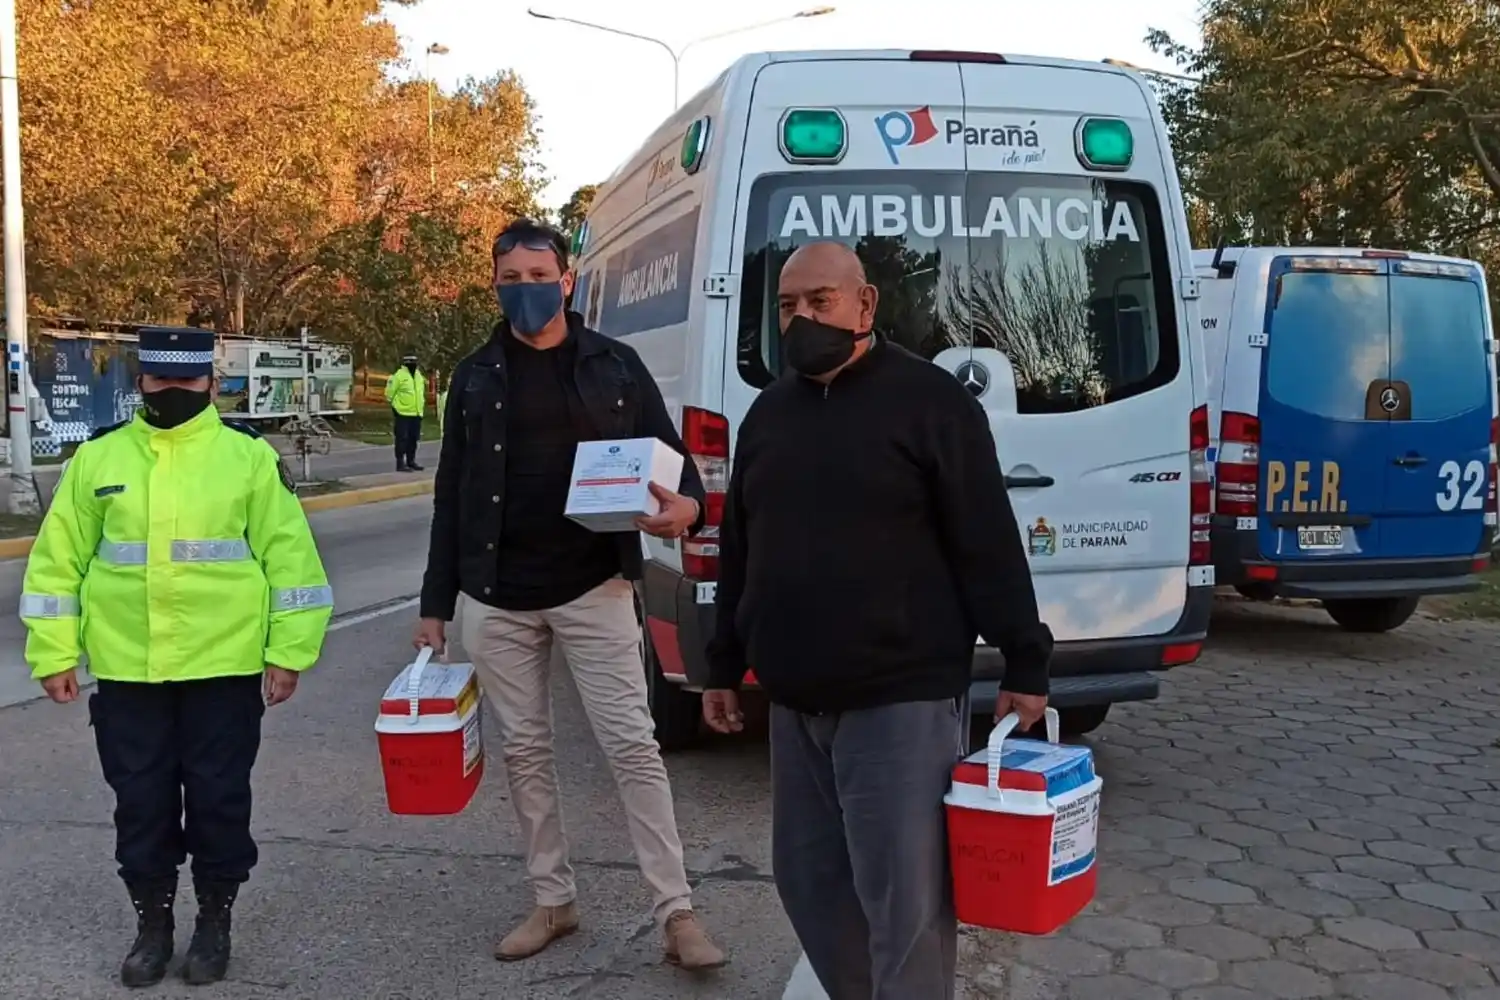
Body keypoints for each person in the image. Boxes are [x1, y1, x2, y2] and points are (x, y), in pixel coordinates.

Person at [701, 242, 1054, 999]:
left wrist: (1027, 659)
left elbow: (986, 540)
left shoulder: (931, 404)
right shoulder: (767, 415)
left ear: (865, 305)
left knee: (906, 905)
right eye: (787, 307)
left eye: (818, 301)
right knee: (810, 886)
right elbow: (740, 549)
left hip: (900, 699)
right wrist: (722, 665)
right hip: (795, 703)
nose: (801, 320)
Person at [414, 218, 725, 970]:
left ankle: (677, 913)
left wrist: (688, 508)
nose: (526, 292)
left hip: (594, 586)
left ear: (568, 279)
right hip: (498, 595)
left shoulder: (617, 366)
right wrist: (436, 603)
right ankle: (552, 900)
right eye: (510, 280)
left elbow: (677, 465)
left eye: (538, 276)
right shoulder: (476, 376)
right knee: (524, 752)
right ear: (495, 285)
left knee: (633, 747)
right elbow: (451, 492)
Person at [19, 325, 333, 988]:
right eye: (160, 381)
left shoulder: (245, 459)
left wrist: (289, 653)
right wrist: (53, 652)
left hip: (223, 669)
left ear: (210, 386)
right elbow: (56, 565)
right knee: (141, 804)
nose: (173, 392)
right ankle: (153, 927)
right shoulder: (99, 460)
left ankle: (214, 922)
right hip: (130, 673)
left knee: (220, 802)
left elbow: (292, 561)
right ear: (142, 383)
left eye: (188, 382)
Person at [384, 351, 426, 472]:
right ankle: (400, 463)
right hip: (403, 413)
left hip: (417, 413)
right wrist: (396, 409)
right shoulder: (398, 376)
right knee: (402, 439)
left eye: (415, 362)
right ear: (406, 363)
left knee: (414, 438)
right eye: (411, 362)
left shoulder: (418, 376)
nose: (414, 364)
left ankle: (411, 461)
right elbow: (389, 394)